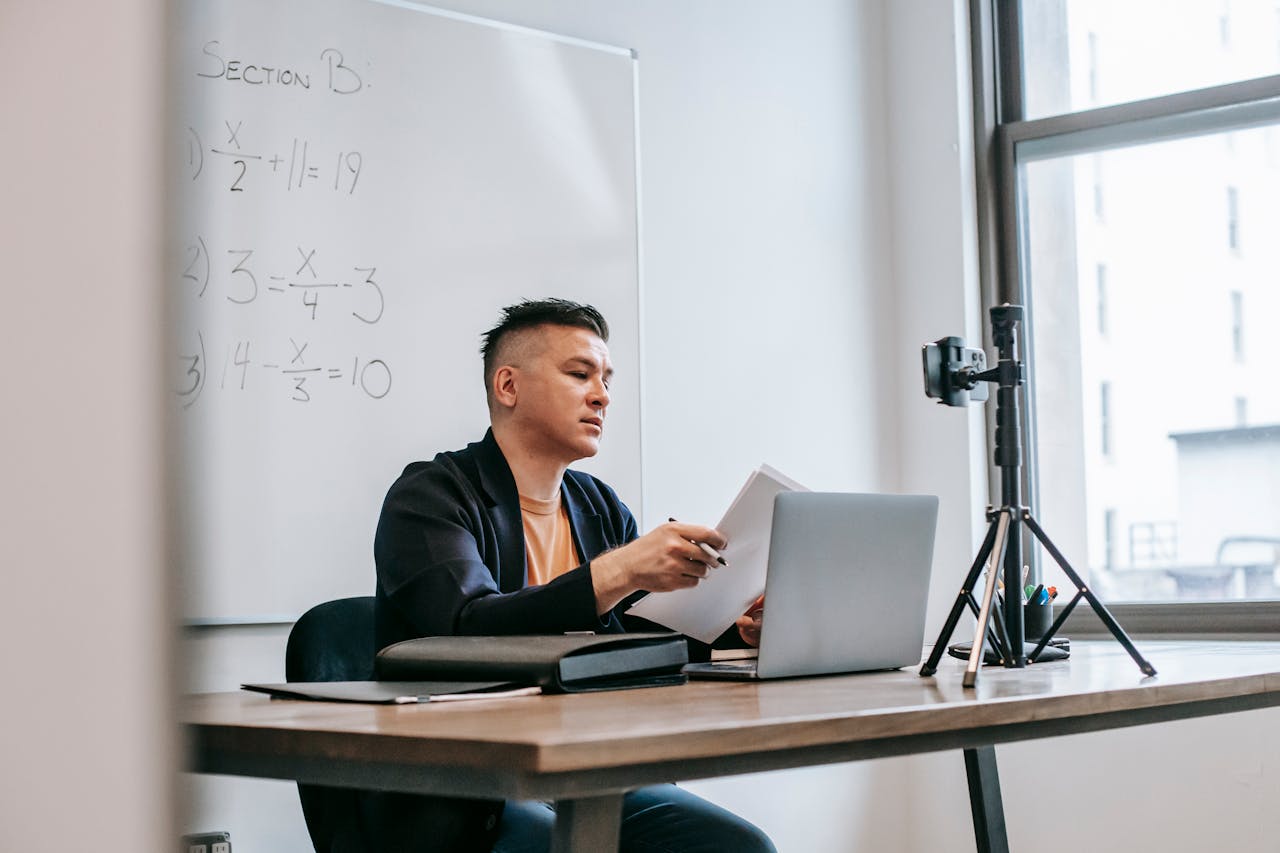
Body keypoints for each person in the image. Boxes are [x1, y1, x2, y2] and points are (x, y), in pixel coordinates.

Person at [369, 298, 775, 853]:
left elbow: (641, 640)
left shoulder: (598, 506)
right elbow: (464, 629)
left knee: (739, 847)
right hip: (472, 784)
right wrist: (617, 571)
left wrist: (733, 629)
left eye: (606, 379)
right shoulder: (429, 497)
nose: (602, 395)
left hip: (590, 768)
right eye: (580, 374)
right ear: (508, 387)